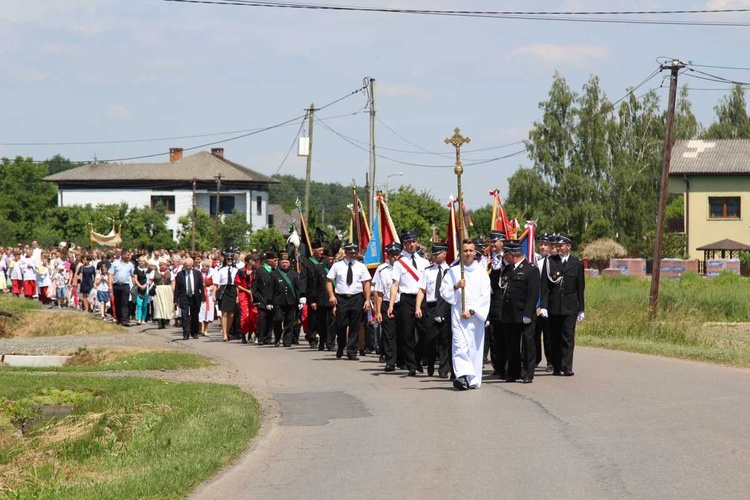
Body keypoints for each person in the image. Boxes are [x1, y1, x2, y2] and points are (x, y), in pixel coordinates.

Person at [440, 239, 491, 390]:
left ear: (475, 253)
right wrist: (456, 286)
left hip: (475, 316)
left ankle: (472, 379)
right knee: (459, 346)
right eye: (465, 251)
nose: (468, 253)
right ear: (460, 253)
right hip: (458, 314)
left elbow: (485, 296)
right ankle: (462, 376)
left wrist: (473, 311)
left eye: (470, 250)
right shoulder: (454, 271)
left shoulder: (481, 272)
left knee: (474, 348)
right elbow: (444, 291)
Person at [540, 234, 585, 377]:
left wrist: (581, 309)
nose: (558, 248)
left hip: (570, 307)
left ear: (568, 246)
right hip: (554, 306)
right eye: (557, 245)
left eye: (561, 245)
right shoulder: (549, 262)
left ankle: (567, 367)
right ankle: (556, 366)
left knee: (568, 337)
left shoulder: (576, 263)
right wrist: (544, 306)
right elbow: (545, 286)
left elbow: (580, 288)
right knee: (554, 337)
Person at [387, 230, 430, 376]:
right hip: (406, 299)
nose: (412, 244)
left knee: (425, 333)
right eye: (408, 242)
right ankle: (411, 365)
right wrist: (391, 305)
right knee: (407, 334)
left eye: (413, 241)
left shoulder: (424, 262)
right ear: (404, 244)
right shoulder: (399, 263)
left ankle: (417, 358)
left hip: (422, 299)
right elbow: (394, 285)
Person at [500, 241, 540, 384]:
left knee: (528, 344)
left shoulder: (531, 270)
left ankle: (528, 373)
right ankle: (513, 372)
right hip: (510, 314)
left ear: (512, 255)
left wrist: (528, 314)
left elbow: (533, 294)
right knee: (512, 345)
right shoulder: (506, 270)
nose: (504, 257)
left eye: (505, 254)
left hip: (524, 314)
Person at [326, 243, 372, 361]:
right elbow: (329, 280)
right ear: (346, 253)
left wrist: (367, 299)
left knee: (355, 325)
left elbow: (366, 282)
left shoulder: (361, 266)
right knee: (341, 324)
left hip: (356, 298)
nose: (353, 255)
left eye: (355, 252)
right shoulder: (337, 266)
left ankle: (352, 351)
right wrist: (331, 295)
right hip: (342, 298)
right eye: (351, 252)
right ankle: (341, 345)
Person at [415, 242, 452, 378]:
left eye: (438, 254)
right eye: (434, 254)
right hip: (431, 307)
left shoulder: (450, 271)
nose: (435, 256)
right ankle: (430, 363)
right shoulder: (428, 270)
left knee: (444, 339)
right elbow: (422, 290)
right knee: (430, 338)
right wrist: (418, 306)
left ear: (444, 254)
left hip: (446, 306)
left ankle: (443, 369)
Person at [373, 243, 401, 372]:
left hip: (403, 303)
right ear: (387, 255)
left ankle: (402, 360)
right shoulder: (381, 269)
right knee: (389, 333)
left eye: (397, 254)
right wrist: (378, 311)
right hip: (386, 302)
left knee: (403, 333)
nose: (395, 256)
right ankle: (390, 361)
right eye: (392, 254)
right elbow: (379, 292)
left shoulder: (405, 267)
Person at [487, 231, 508, 378]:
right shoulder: (487, 260)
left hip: (505, 302)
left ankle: (506, 366)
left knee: (505, 337)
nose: (493, 244)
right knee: (494, 336)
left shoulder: (507, 259)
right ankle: (497, 366)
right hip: (492, 302)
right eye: (491, 242)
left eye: (495, 241)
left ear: (502, 242)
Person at [272, 251, 302, 347]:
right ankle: (277, 337)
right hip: (278, 301)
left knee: (289, 321)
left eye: (286, 262)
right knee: (278, 319)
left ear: (290, 263)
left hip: (290, 300)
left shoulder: (294, 274)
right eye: (283, 262)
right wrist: (269, 301)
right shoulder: (274, 273)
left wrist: (300, 299)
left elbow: (297, 288)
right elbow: (270, 288)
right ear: (279, 262)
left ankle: (287, 340)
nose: (284, 264)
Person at [310, 246, 336, 351]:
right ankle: (322, 341)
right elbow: (314, 285)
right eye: (328, 258)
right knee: (322, 323)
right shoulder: (318, 268)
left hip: (334, 299)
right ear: (324, 257)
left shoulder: (337, 267)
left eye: (332, 258)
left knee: (333, 323)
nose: (330, 260)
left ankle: (330, 343)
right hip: (321, 300)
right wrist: (313, 301)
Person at [174, 257, 205, 340]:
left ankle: (194, 332)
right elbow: (177, 288)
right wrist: (175, 300)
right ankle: (185, 333)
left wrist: (203, 297)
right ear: (184, 266)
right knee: (185, 316)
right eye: (186, 266)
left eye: (189, 266)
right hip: (184, 297)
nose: (188, 267)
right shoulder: (180, 274)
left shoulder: (197, 273)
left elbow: (201, 286)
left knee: (195, 315)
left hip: (195, 297)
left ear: (192, 265)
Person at [535, 233, 554, 370]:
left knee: (548, 334)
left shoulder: (552, 262)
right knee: (535, 334)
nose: (543, 247)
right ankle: (535, 359)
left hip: (547, 304)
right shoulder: (535, 260)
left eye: (546, 244)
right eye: (541, 244)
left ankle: (550, 360)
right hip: (536, 303)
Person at [252, 251, 277, 345]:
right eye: (275, 260)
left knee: (271, 318)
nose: (276, 262)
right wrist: (255, 299)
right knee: (261, 318)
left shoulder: (276, 271)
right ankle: (260, 337)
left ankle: (268, 337)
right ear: (269, 261)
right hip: (262, 297)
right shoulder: (260, 270)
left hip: (272, 298)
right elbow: (254, 285)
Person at [216, 253, 239, 342]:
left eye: (231, 259)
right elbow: (216, 283)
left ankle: (228, 330)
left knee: (231, 314)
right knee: (224, 313)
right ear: (225, 260)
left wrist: (237, 296)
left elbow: (238, 284)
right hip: (223, 290)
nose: (230, 261)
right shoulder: (221, 270)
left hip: (233, 290)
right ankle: (224, 333)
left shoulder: (237, 270)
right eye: (228, 259)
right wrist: (215, 295)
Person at [109, 250, 134, 326]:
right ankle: (118, 318)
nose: (128, 256)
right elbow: (110, 274)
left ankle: (124, 320)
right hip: (116, 285)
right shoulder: (115, 264)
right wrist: (110, 285)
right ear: (123, 255)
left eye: (129, 255)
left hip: (125, 286)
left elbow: (133, 275)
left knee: (125, 303)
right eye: (127, 254)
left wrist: (134, 285)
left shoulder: (130, 265)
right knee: (117, 302)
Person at [152, 259, 174, 329]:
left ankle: (165, 320)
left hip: (167, 290)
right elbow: (150, 280)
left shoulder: (170, 273)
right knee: (158, 306)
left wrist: (172, 289)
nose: (163, 266)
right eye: (161, 265)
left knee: (166, 305)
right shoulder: (154, 272)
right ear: (159, 266)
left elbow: (173, 282)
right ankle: (159, 322)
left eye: (164, 265)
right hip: (158, 289)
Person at [198, 258, 217, 336]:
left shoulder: (212, 273)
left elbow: (216, 284)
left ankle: (205, 329)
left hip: (209, 294)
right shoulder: (198, 273)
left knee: (207, 312)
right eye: (204, 266)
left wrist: (213, 289)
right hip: (200, 293)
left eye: (207, 267)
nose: (205, 268)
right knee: (201, 311)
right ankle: (200, 328)